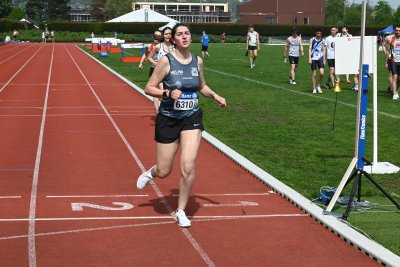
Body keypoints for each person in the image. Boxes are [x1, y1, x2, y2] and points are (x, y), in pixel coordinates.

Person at [136, 23, 226, 228]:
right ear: (174, 39)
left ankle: (181, 211)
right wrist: (166, 93)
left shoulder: (198, 61)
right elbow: (148, 88)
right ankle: (152, 173)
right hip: (168, 118)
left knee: (188, 165)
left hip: (191, 117)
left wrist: (215, 95)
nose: (184, 37)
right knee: (165, 170)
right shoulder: (166, 62)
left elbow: (201, 85)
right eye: (180, 34)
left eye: (187, 33)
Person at [147, 27, 175, 113]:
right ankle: (158, 112)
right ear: (163, 35)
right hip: (159, 74)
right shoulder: (158, 46)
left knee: (171, 93)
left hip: (172, 74)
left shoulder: (175, 46)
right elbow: (149, 58)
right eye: (166, 34)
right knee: (161, 91)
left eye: (170, 34)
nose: (168, 36)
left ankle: (168, 111)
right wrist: (157, 64)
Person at [309, 28, 325, 94]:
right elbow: (309, 49)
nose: (319, 34)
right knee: (314, 74)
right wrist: (309, 58)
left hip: (320, 58)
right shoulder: (312, 40)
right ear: (315, 33)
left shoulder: (323, 40)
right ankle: (314, 88)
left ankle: (318, 85)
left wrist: (324, 59)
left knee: (322, 73)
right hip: (313, 58)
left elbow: (323, 50)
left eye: (320, 33)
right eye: (318, 33)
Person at [388, 25, 400, 100]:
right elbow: (389, 51)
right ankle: (394, 94)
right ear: (394, 31)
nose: (398, 32)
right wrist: (386, 62)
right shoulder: (391, 39)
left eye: (399, 30)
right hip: (394, 61)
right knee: (395, 77)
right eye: (397, 30)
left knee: (399, 79)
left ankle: (395, 91)